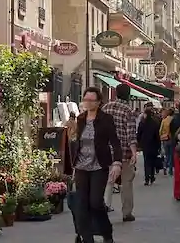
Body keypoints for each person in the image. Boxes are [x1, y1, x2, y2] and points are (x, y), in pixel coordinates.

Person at [69, 87, 122, 243]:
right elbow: (75, 141)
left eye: (92, 100)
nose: (88, 103)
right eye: (86, 100)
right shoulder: (80, 119)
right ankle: (87, 238)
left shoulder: (106, 119)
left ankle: (106, 232)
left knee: (96, 203)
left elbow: (115, 142)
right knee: (81, 204)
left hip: (99, 166)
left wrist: (117, 163)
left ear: (99, 102)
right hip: (81, 167)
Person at [101, 84, 138, 222]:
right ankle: (126, 213)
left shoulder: (105, 108)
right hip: (123, 154)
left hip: (106, 152)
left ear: (116, 93)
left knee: (108, 180)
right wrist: (134, 153)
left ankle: (105, 205)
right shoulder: (128, 111)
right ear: (128, 95)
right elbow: (131, 135)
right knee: (126, 183)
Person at [137, 104, 161, 185]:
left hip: (145, 145)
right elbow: (157, 135)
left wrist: (139, 143)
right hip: (153, 144)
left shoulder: (142, 123)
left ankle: (147, 178)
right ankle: (152, 176)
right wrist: (159, 145)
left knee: (146, 161)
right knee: (152, 161)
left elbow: (139, 134)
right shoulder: (155, 123)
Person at [159, 108, 174, 175]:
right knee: (171, 155)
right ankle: (170, 169)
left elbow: (160, 130)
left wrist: (161, 136)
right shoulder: (173, 120)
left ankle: (165, 166)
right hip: (172, 138)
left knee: (166, 154)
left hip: (165, 138)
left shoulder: (164, 120)